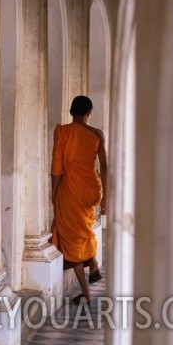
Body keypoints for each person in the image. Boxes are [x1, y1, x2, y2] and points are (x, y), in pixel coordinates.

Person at [50, 95, 107, 304]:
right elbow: (105, 167)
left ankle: (86, 292)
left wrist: (54, 191)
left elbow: (57, 167)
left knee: (72, 237)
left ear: (71, 111)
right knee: (81, 228)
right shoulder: (97, 134)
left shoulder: (64, 133)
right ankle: (92, 264)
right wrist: (105, 198)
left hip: (71, 189)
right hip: (91, 189)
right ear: (88, 113)